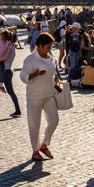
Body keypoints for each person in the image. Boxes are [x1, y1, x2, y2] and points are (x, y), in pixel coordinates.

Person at [20, 32, 62, 161]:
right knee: (34, 125)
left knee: (54, 120)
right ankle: (35, 150)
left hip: (49, 95)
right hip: (35, 96)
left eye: (51, 47)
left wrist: (56, 80)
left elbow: (54, 71)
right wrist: (35, 74)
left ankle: (44, 144)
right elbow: (23, 76)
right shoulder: (30, 59)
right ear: (40, 46)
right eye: (48, 47)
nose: (50, 50)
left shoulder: (50, 56)